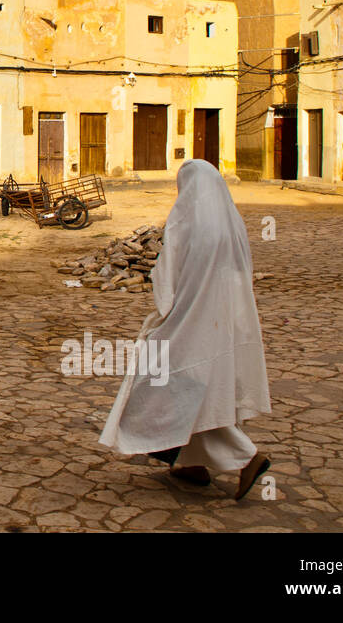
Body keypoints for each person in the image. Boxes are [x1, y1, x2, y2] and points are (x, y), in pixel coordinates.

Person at [99, 160, 271, 499]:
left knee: (172, 385)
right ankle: (191, 463)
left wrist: (165, 312)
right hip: (224, 324)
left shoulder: (184, 219)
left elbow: (167, 276)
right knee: (200, 389)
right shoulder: (231, 222)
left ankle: (246, 456)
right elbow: (242, 272)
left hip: (189, 320)